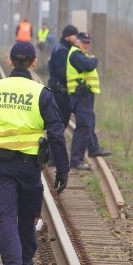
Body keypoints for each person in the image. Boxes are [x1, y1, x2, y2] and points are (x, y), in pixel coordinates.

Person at [0, 41, 70, 265]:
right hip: (28, 167)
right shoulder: (41, 93)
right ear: (34, 63)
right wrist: (63, 168)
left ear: (9, 61)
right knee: (26, 217)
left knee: (6, 218)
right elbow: (56, 133)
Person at [48, 25, 111, 170]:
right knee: (68, 124)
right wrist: (93, 61)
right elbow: (66, 72)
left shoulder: (69, 50)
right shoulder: (66, 51)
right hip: (66, 93)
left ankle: (92, 148)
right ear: (71, 37)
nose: (83, 43)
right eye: (78, 38)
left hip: (73, 93)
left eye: (87, 42)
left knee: (86, 122)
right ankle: (67, 158)